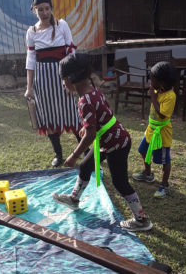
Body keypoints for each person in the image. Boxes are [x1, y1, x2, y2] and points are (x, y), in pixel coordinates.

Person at [52, 53, 153, 232]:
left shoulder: (84, 101)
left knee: (120, 183)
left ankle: (142, 220)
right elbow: (101, 115)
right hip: (110, 139)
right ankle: (74, 200)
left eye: (62, 80)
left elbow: (90, 135)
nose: (62, 84)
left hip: (116, 144)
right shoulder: (92, 89)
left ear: (69, 79)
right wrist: (87, 128)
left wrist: (73, 155)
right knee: (85, 166)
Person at [25, 0, 81, 167]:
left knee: (73, 113)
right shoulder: (32, 32)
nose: (44, 12)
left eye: (47, 8)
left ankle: (86, 151)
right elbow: (31, 60)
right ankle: (58, 154)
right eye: (40, 9)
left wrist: (72, 78)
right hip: (42, 80)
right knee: (48, 115)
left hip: (63, 76)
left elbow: (71, 52)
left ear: (51, 8)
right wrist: (29, 87)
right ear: (34, 10)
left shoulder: (62, 25)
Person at [133, 61, 177, 199]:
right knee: (142, 151)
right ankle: (148, 174)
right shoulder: (159, 90)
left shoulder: (170, 96)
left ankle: (164, 186)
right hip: (150, 130)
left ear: (162, 82)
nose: (150, 81)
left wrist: (153, 97)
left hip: (161, 134)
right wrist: (154, 94)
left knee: (164, 161)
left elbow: (163, 114)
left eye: (153, 79)